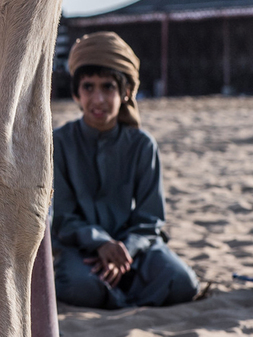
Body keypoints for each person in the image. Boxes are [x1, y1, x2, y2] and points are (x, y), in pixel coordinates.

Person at [52, 31, 199, 309]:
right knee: (82, 287)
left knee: (182, 283)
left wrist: (124, 250)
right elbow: (62, 216)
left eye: (108, 87)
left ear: (126, 92)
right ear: (75, 93)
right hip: (81, 248)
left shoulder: (142, 145)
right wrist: (101, 244)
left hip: (135, 250)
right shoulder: (58, 143)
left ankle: (119, 288)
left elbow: (150, 218)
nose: (98, 99)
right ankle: (120, 291)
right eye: (88, 87)